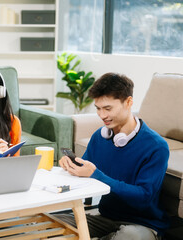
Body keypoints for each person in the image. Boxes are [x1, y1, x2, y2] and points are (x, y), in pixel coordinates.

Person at [55, 73, 169, 240]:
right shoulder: (99, 137)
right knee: (50, 223)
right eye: (98, 109)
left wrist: (96, 174)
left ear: (129, 102)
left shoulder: (156, 146)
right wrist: (72, 167)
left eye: (108, 108)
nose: (102, 115)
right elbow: (85, 173)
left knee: (131, 237)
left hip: (141, 224)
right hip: (104, 218)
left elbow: (144, 197)